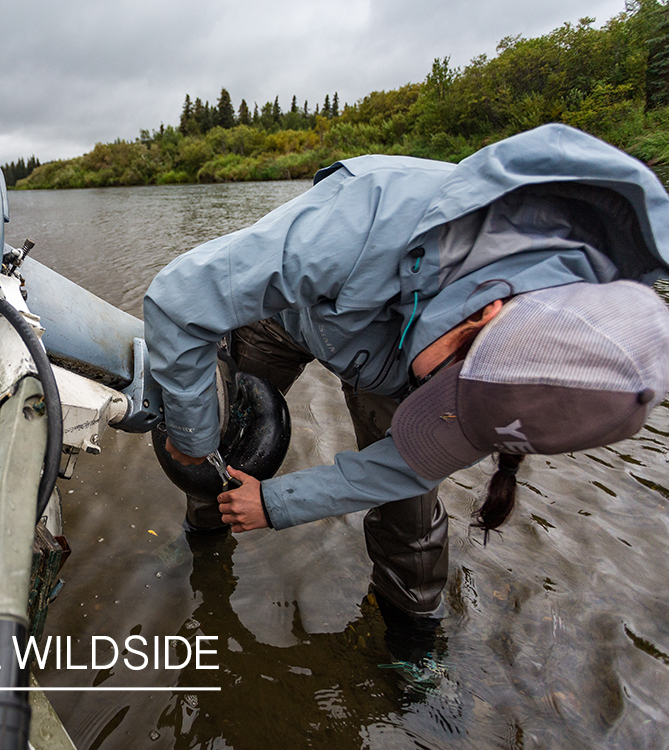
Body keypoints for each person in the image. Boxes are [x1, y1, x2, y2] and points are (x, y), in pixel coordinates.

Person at [143, 123, 669, 621]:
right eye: (446, 396)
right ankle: (202, 537)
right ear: (485, 312)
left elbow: (406, 468)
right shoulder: (368, 216)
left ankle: (411, 634)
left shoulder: (535, 375)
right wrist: (192, 438)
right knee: (219, 442)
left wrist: (277, 503)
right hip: (286, 320)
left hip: (388, 366)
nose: (438, 411)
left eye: (457, 421)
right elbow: (179, 301)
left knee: (410, 516)